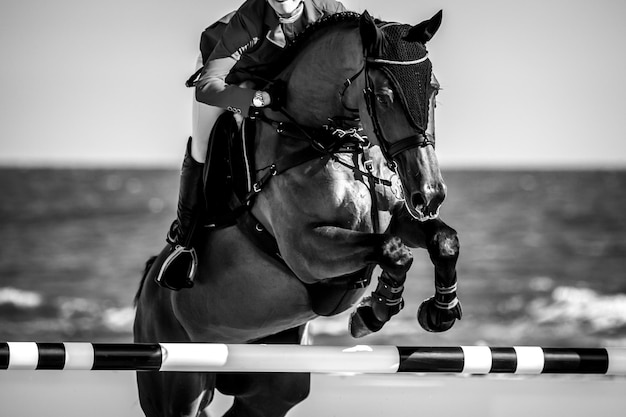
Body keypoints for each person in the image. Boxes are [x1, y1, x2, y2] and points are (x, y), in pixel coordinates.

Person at [156, 0, 347, 290]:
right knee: (202, 147)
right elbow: (208, 88)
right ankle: (185, 243)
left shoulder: (329, 9)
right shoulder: (250, 18)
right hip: (230, 77)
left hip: (283, 76)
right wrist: (259, 100)